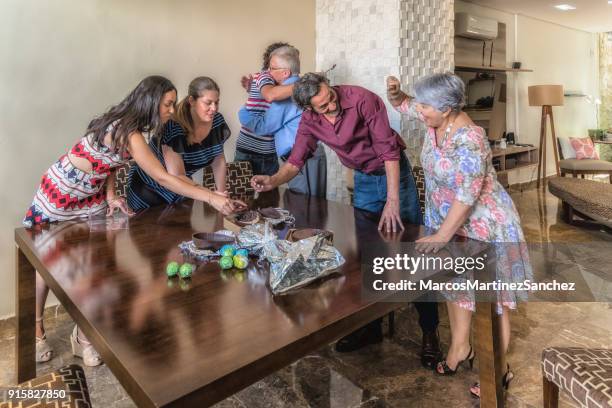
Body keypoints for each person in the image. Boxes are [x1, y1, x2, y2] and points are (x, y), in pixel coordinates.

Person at [24, 75, 244, 367]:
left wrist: (112, 195)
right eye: (167, 104)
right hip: (61, 194)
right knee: (46, 262)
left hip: (92, 197)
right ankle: (36, 329)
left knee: (94, 264)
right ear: (151, 102)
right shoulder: (128, 132)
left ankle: (83, 336)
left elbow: (109, 164)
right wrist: (211, 197)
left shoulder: (131, 126)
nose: (170, 109)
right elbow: (164, 177)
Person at [251, 73, 441, 366]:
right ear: (309, 109)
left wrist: (393, 200)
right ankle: (370, 327)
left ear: (329, 86)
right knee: (366, 254)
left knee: (410, 253)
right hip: (364, 181)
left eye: (331, 99)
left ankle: (430, 333)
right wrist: (273, 180)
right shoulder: (310, 120)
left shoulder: (362, 99)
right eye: (323, 106)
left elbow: (388, 150)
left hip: (394, 176)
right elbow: (295, 161)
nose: (331, 107)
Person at [387, 73, 531, 397]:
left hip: (484, 225)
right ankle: (460, 349)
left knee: (491, 302)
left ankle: (499, 370)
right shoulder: (433, 117)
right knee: (455, 286)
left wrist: (440, 236)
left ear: (447, 108)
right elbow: (404, 104)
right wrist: (395, 94)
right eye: (421, 105)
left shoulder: (471, 139)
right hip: (449, 223)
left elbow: (467, 196)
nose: (419, 111)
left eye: (426, 106)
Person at [127, 77, 232, 210]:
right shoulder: (172, 126)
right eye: (208, 103)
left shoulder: (217, 121)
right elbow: (175, 176)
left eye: (217, 102)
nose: (214, 108)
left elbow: (218, 160)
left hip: (181, 190)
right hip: (148, 192)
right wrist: (212, 196)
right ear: (192, 101)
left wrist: (222, 197)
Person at [238, 45, 326, 197]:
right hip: (311, 156)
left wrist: (243, 113)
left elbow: (265, 127)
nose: (268, 72)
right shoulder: (301, 86)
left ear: (285, 73)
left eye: (272, 68)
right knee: (315, 205)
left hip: (301, 160)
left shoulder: (284, 95)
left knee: (303, 206)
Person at [234, 42, 296, 175]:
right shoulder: (265, 77)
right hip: (250, 149)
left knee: (269, 193)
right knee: (243, 193)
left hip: (267, 151)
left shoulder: (278, 83)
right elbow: (269, 95)